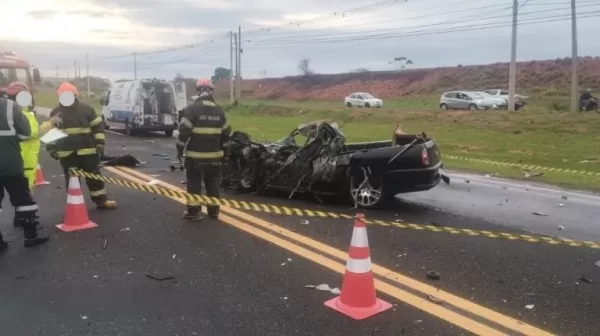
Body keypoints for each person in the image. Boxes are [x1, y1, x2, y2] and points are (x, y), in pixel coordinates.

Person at [46, 82, 117, 209]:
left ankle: (101, 201)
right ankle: (75, 204)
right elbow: (51, 132)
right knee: (72, 180)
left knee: (94, 178)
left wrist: (100, 144)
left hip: (88, 152)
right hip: (67, 153)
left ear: (75, 95)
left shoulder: (87, 110)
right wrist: (51, 148)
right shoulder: (56, 113)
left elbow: (97, 129)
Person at [176, 78, 231, 221]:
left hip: (195, 157)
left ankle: (193, 212)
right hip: (215, 157)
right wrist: (226, 154)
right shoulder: (220, 111)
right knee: (213, 184)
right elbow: (226, 135)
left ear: (198, 90)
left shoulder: (192, 109)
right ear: (211, 91)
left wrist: (179, 149)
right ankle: (214, 212)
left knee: (194, 183)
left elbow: (183, 132)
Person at [0, 96, 49, 253]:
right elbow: (26, 133)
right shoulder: (9, 106)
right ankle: (30, 236)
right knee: (23, 201)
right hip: (10, 163)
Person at [6, 82, 62, 189]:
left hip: (13, 161)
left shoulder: (8, 112)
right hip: (25, 161)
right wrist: (51, 123)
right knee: (24, 196)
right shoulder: (23, 114)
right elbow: (32, 132)